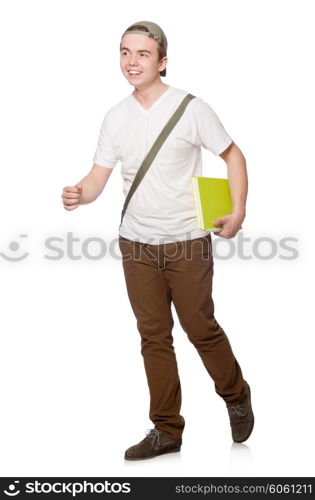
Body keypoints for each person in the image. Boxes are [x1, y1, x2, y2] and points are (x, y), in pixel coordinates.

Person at [62, 20, 254, 461]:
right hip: (136, 245)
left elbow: (233, 154)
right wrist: (80, 194)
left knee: (199, 328)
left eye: (143, 54)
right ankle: (167, 430)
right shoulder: (115, 117)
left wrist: (238, 209)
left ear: (162, 61)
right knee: (153, 336)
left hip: (187, 241)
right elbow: (98, 178)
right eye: (125, 52)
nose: (132, 61)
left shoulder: (191, 108)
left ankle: (236, 392)